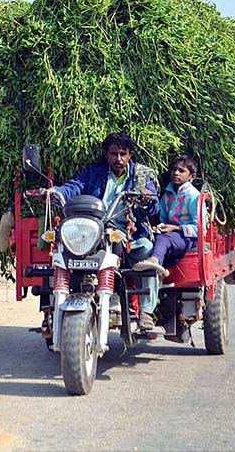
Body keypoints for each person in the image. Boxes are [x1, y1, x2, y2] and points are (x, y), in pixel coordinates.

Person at [47, 131, 160, 330]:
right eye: (114, 154)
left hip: (130, 233)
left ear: (130, 155)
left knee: (147, 250)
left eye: (123, 154)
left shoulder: (141, 176)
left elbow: (154, 206)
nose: (118, 159)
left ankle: (146, 311)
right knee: (63, 252)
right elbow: (74, 186)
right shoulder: (94, 172)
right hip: (94, 231)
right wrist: (55, 192)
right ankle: (62, 303)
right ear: (106, 154)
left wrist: (146, 198)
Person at [132, 155, 200, 279]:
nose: (176, 173)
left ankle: (155, 261)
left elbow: (200, 229)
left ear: (191, 176)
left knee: (164, 240)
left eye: (181, 171)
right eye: (174, 170)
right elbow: (163, 218)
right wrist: (159, 227)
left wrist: (176, 228)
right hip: (169, 234)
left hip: (187, 237)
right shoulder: (167, 195)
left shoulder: (194, 196)